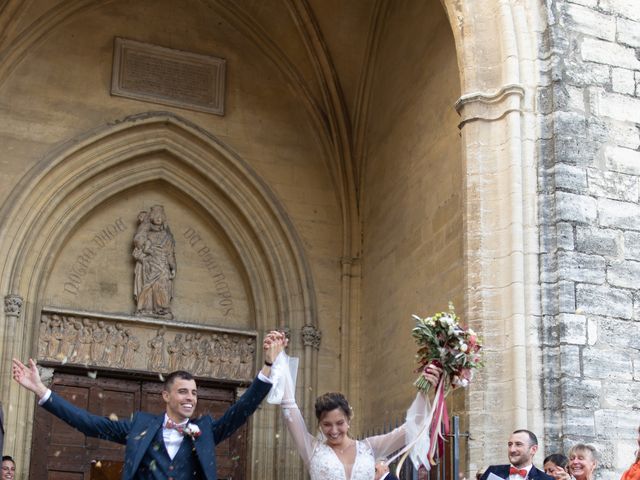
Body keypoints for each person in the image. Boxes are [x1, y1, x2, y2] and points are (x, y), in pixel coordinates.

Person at [12, 330, 285, 480]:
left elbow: (243, 409)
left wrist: (268, 364)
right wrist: (41, 390)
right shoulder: (140, 427)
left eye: (194, 393)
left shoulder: (206, 430)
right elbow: (90, 424)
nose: (190, 397)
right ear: (166, 396)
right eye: (183, 392)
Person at [278, 350, 442, 480]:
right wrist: (277, 357)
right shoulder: (312, 449)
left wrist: (426, 388)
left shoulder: (369, 448)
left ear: (349, 420)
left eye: (340, 423)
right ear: (320, 424)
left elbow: (412, 427)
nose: (334, 430)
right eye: (327, 424)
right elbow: (289, 408)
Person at [480, 430, 553, 480]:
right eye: (510, 444)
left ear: (533, 449)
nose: (512, 450)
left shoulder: (546, 479)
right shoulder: (493, 471)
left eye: (518, 444)